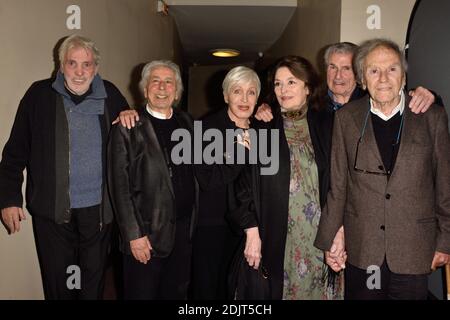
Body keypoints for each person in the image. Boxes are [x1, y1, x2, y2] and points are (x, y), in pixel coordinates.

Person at [314, 38, 450, 300]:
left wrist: (445, 241)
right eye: (374, 70)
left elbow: (445, 185)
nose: (384, 78)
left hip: (413, 248)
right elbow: (339, 186)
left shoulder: (431, 117)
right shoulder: (346, 119)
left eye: (392, 69)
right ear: (363, 78)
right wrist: (331, 238)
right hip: (364, 248)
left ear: (403, 75)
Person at [0, 34, 129, 299]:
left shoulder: (112, 95)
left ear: (96, 68)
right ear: (61, 66)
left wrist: (132, 115)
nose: (80, 72)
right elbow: (15, 152)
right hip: (53, 213)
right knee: (59, 285)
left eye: (87, 65)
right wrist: (9, 198)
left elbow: (130, 146)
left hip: (99, 213)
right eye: (72, 63)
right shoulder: (39, 96)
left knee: (91, 284)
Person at [229, 56, 343, 299]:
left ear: (308, 87)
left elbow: (341, 183)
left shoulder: (329, 125)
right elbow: (242, 186)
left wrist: (339, 231)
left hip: (321, 237)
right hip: (278, 238)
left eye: (291, 82)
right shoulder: (262, 128)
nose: (283, 90)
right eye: (278, 84)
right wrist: (251, 232)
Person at [107, 60, 197, 300]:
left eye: (169, 82)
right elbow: (119, 187)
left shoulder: (187, 123)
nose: (162, 87)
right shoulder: (127, 127)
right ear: (144, 89)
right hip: (146, 236)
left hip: (182, 232)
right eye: (155, 81)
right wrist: (134, 235)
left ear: (177, 91)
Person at [191, 66, 260, 299]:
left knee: (238, 289)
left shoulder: (262, 129)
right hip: (213, 224)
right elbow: (207, 180)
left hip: (248, 225)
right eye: (237, 91)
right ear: (225, 96)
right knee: (208, 288)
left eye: (251, 92)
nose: (244, 98)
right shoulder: (207, 129)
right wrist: (239, 153)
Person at [255, 42, 435, 122]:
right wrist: (263, 107)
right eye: (332, 67)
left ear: (358, 72)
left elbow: (406, 104)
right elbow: (282, 103)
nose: (338, 75)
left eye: (346, 68)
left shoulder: (373, 100)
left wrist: (430, 96)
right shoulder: (313, 102)